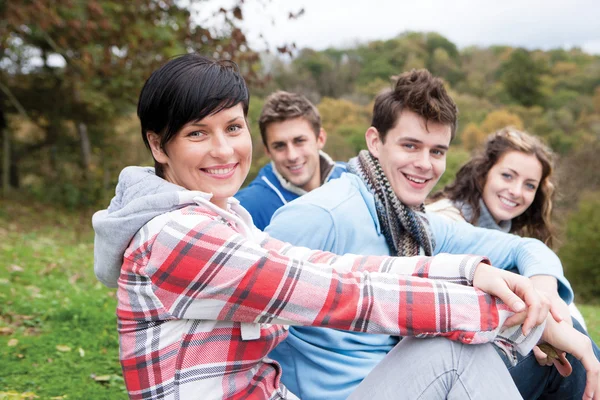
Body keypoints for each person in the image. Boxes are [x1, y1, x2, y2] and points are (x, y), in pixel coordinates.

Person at [92, 54, 564, 400]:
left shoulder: (222, 218)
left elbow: (334, 267)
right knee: (456, 354)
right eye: (198, 133)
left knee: (462, 355)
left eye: (233, 128)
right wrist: (514, 317)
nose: (223, 150)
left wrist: (468, 271)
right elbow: (342, 297)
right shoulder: (177, 237)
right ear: (158, 145)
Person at [265, 69, 600, 400]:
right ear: (375, 142)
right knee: (458, 348)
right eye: (410, 146)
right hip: (353, 390)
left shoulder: (416, 223)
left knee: (565, 358)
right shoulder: (323, 214)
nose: (425, 164)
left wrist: (544, 300)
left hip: (410, 374)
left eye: (437, 151)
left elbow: (526, 248)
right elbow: (244, 308)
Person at [427, 127, 588, 328]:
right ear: (483, 174)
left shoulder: (507, 232)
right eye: (507, 176)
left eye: (529, 185)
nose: (516, 191)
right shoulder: (445, 220)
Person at [235, 91, 346, 230]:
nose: (292, 156)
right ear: (267, 151)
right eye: (279, 146)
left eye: (299, 141)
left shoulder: (353, 180)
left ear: (320, 139)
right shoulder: (245, 209)